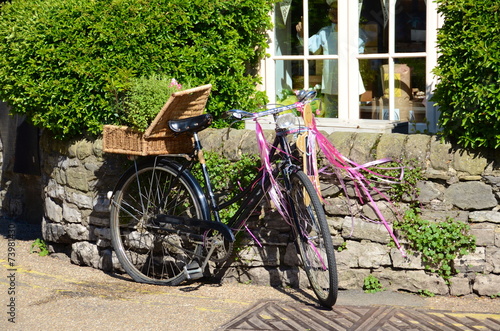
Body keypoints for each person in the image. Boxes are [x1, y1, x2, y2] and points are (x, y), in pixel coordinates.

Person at [296, 0, 365, 118]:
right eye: (332, 9)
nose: (333, 12)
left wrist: (343, 28)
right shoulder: (325, 32)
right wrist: (302, 35)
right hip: (330, 82)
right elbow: (312, 46)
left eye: (337, 9)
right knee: (331, 117)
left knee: (351, 117)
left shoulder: (356, 31)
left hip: (350, 81)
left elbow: (359, 49)